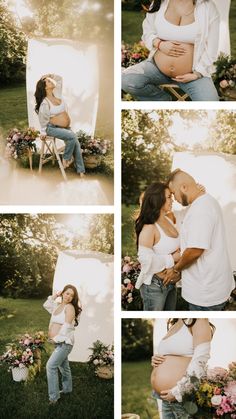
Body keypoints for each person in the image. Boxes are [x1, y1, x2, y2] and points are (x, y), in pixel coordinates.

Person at [164, 169, 234, 310]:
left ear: (183, 187)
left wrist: (176, 270)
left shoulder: (201, 209)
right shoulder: (203, 202)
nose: (174, 198)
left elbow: (195, 250)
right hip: (211, 283)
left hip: (205, 292)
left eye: (173, 193)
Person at [122, 0, 219, 101]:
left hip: (193, 74)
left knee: (211, 101)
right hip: (157, 69)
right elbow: (147, 33)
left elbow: (212, 47)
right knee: (126, 80)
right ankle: (163, 100)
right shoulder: (158, 4)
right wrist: (160, 44)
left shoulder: (208, 8)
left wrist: (197, 74)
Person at [151, 318, 214, 418]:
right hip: (165, 399)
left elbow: (200, 362)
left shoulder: (199, 320)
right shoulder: (176, 322)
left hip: (182, 398)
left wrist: (178, 392)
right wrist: (156, 359)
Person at [135, 182, 181, 311]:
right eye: (168, 197)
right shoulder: (150, 227)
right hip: (154, 286)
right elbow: (145, 260)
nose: (172, 200)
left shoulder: (170, 219)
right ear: (157, 199)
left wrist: (199, 192)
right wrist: (172, 258)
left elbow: (190, 210)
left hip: (171, 283)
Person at [35, 74, 85, 177]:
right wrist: (43, 132)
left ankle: (81, 171)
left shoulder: (56, 93)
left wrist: (48, 76)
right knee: (72, 137)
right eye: (48, 82)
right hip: (51, 128)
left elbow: (59, 79)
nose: (51, 81)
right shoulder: (45, 102)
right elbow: (42, 118)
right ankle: (66, 158)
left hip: (64, 127)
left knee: (76, 144)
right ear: (45, 87)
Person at [43, 284, 82, 404]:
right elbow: (46, 304)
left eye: (72, 295)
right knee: (64, 367)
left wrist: (55, 339)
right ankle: (67, 389)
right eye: (67, 293)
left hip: (65, 342)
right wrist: (55, 295)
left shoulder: (69, 307)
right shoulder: (58, 306)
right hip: (59, 342)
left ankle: (53, 398)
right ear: (63, 293)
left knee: (51, 366)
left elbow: (66, 327)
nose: (69, 296)